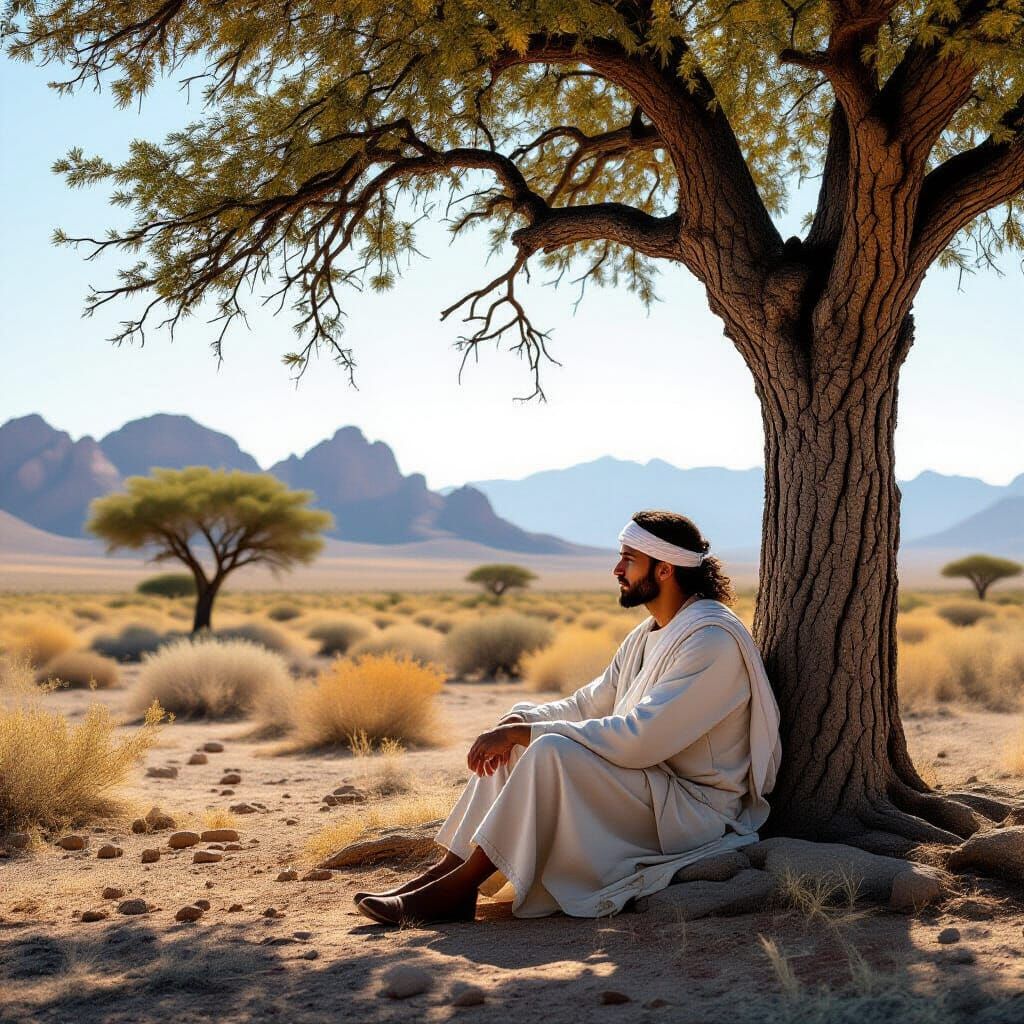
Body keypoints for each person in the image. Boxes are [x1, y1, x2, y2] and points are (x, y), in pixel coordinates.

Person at [355, 510, 782, 926]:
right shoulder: (648, 633)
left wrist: (530, 732)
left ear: (665, 569)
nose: (617, 570)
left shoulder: (710, 641)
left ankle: (460, 886)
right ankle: (443, 874)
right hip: (650, 788)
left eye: (629, 560)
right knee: (521, 736)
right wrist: (519, 722)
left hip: (693, 811)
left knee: (550, 749)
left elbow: (640, 740)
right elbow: (588, 703)